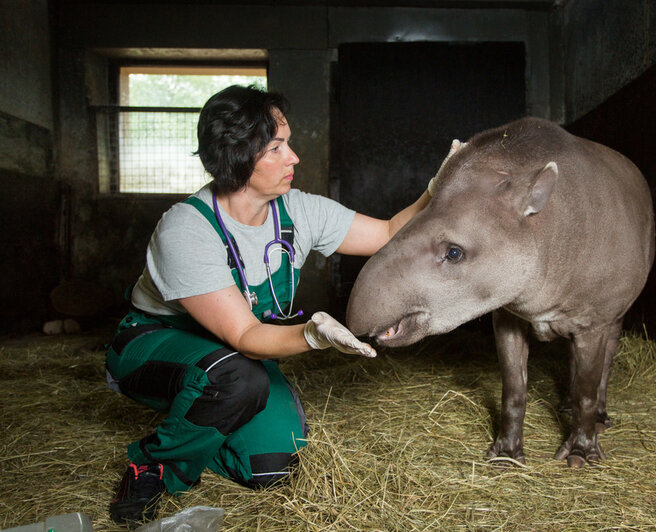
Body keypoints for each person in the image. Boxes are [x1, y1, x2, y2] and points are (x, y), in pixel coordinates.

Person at [105, 84, 458, 527]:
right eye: (276, 148)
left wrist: (438, 189)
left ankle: (197, 431)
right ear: (237, 156)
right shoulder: (187, 229)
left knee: (274, 467)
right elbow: (246, 337)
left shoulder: (299, 211)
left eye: (287, 144)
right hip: (155, 348)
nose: (293, 158)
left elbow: (388, 233)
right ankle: (155, 465)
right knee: (236, 377)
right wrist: (312, 335)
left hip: (237, 361)